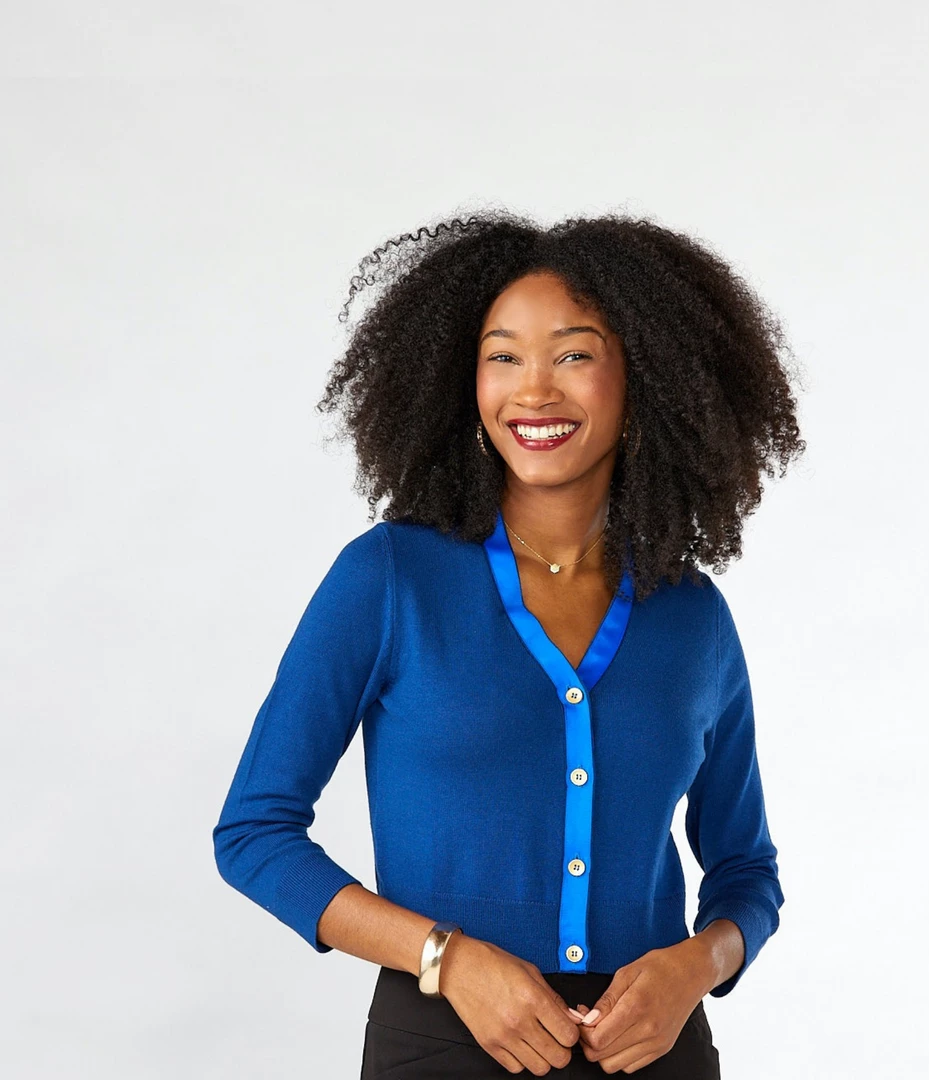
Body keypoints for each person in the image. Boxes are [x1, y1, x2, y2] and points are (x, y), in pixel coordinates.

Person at [213, 209, 806, 1077]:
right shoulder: (391, 579)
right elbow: (254, 832)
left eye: (573, 355)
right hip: (442, 1042)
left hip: (654, 1052)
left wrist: (695, 966)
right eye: (503, 357)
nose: (533, 391)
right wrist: (444, 958)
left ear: (644, 374)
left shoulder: (692, 617)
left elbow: (747, 869)